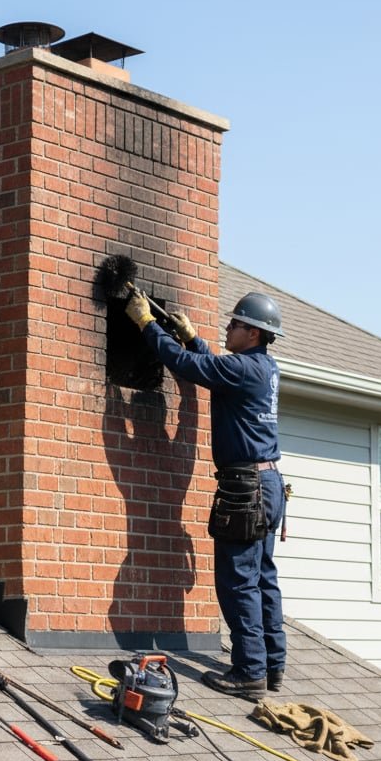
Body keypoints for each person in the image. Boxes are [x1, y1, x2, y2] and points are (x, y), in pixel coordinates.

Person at [125, 289, 288, 701]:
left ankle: (249, 673)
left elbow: (189, 367)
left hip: (246, 488)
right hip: (268, 485)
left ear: (252, 333)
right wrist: (194, 338)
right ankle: (272, 665)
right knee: (263, 578)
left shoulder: (244, 370)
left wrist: (147, 323)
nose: (227, 328)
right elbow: (213, 365)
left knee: (238, 584)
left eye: (234, 324)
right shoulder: (264, 367)